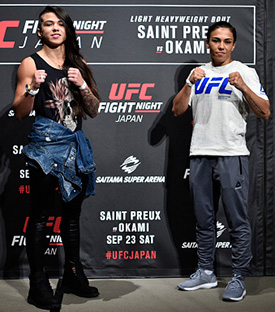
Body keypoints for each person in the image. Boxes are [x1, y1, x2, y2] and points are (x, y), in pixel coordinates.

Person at [172, 21, 270, 302]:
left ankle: (239, 276)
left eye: (227, 41)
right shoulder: (197, 73)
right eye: (216, 40)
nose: (221, 46)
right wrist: (189, 83)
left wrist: (242, 86)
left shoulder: (245, 72)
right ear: (207, 43)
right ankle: (205, 271)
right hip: (200, 153)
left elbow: (264, 111)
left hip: (231, 154)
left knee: (237, 220)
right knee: (204, 219)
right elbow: (178, 110)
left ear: (234, 45)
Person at [12, 6, 100, 310]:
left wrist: (83, 85)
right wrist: (32, 87)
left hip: (74, 147)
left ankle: (73, 274)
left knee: (71, 215)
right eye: (48, 24)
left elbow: (93, 108)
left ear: (67, 29)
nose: (54, 28)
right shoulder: (30, 63)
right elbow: (20, 112)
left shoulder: (78, 63)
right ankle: (39, 284)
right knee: (39, 216)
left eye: (59, 23)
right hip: (44, 150)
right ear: (40, 31)